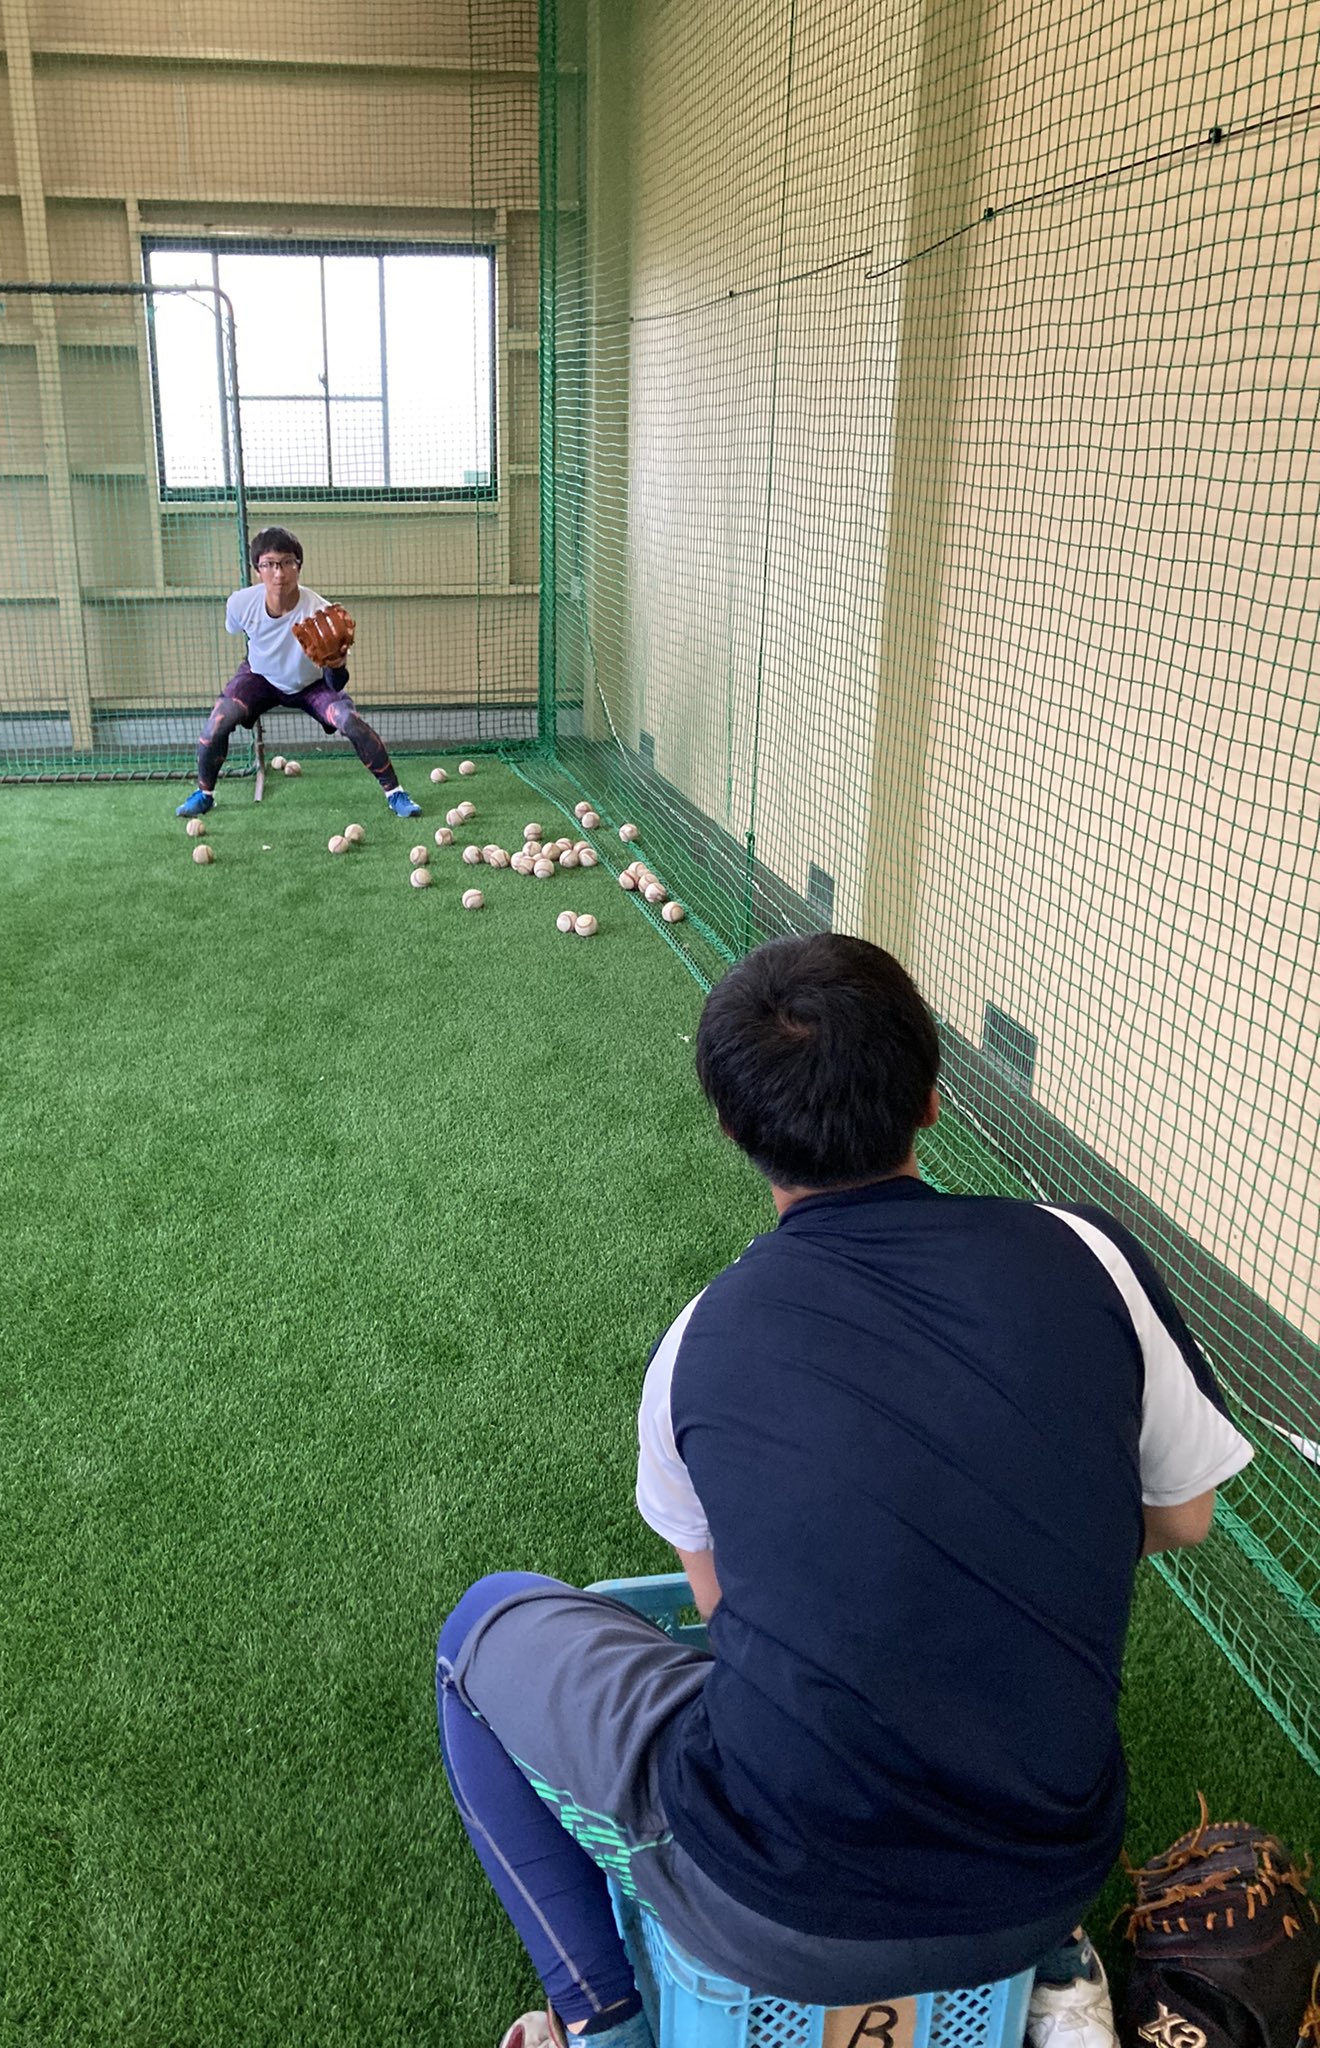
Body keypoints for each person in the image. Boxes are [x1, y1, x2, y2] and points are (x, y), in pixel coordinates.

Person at [436, 933, 1253, 2048]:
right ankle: (1056, 1969)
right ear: (930, 1099)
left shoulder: (699, 1338)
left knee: (477, 1627)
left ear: (733, 1129)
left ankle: (606, 2021)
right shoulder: (1087, 1250)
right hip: (1043, 1881)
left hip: (774, 1903)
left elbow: (724, 1612)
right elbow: (1186, 1513)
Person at [175, 526, 421, 819]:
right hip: (259, 678)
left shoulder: (320, 613)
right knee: (218, 722)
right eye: (270, 564)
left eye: (288, 563)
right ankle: (205, 794)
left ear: (298, 567)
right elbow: (238, 631)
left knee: (349, 721)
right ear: (258, 570)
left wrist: (337, 664)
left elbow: (336, 682)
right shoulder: (240, 604)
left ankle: (395, 793)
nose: (279, 573)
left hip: (311, 685)